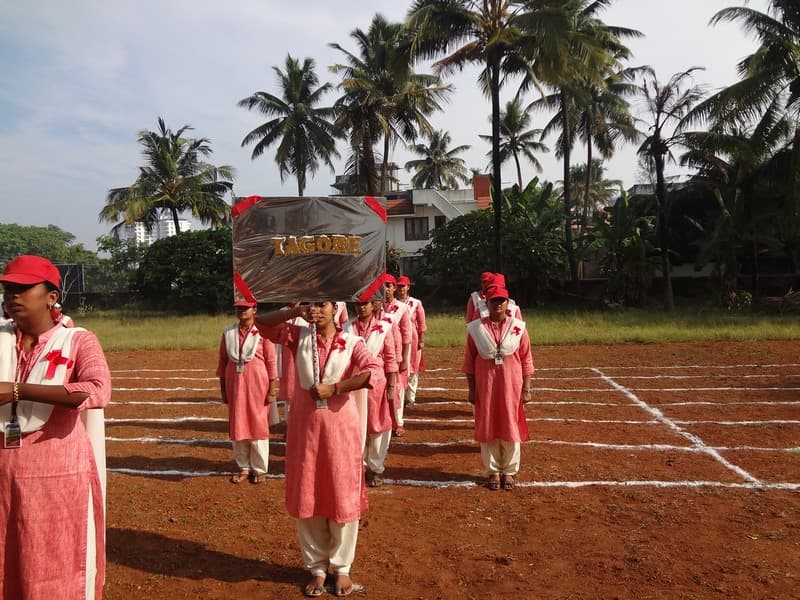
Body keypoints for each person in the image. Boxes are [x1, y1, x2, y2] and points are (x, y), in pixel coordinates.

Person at [0, 254, 112, 599]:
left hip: (57, 478)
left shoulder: (78, 340)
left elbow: (97, 388)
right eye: (7, 289)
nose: (12, 296)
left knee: (55, 561)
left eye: (22, 288)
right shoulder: (2, 338)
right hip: (4, 475)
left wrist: (18, 391)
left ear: (51, 296)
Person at [256, 301, 379, 598]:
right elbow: (261, 324)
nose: (316, 310)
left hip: (341, 431)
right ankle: (318, 568)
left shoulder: (352, 342)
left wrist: (336, 388)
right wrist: (293, 311)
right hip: (306, 430)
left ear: (336, 308)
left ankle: (342, 567)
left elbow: (374, 372)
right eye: (311, 304)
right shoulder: (298, 337)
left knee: (341, 494)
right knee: (308, 493)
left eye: (322, 304)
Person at [463, 279, 534, 491]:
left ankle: (509, 471)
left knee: (511, 425)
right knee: (488, 425)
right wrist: (472, 389)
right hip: (486, 387)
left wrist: (527, 388)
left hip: (511, 386)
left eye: (501, 300)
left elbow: (527, 359)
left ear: (507, 303)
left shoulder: (518, 329)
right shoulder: (476, 329)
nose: (498, 304)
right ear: (487, 303)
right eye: (494, 301)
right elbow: (469, 362)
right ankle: (492, 470)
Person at [217, 300, 278, 484]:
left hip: (258, 386)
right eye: (239, 308)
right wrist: (223, 390)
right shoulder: (228, 332)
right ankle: (243, 466)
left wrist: (272, 389)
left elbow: (271, 361)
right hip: (235, 385)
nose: (242, 311)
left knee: (258, 425)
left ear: (255, 309)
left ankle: (259, 469)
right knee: (238, 425)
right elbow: (223, 361)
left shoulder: (263, 331)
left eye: (246, 308)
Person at [344, 297, 397, 488]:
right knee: (356, 426)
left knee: (378, 426)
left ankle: (375, 468)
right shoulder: (348, 329)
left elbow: (391, 359)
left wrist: (391, 386)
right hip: (355, 385)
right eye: (358, 304)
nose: (362, 308)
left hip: (377, 385)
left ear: (374, 305)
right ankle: (358, 465)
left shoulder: (384, 329)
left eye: (365, 304)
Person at [381, 275, 411, 437]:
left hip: (396, 354)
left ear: (394, 287)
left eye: (388, 286)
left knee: (396, 389)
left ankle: (398, 422)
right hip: (379, 354)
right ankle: (385, 420)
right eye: (382, 286)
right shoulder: (376, 307)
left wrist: (405, 358)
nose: (386, 289)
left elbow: (407, 335)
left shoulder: (401, 308)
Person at [395, 275, 426, 409]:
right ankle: (399, 395)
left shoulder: (415, 303)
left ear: (408, 287)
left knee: (412, 367)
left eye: (403, 286)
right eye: (399, 286)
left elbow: (421, 322)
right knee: (398, 365)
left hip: (412, 339)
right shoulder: (393, 303)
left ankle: (410, 398)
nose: (401, 289)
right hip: (397, 338)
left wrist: (421, 340)